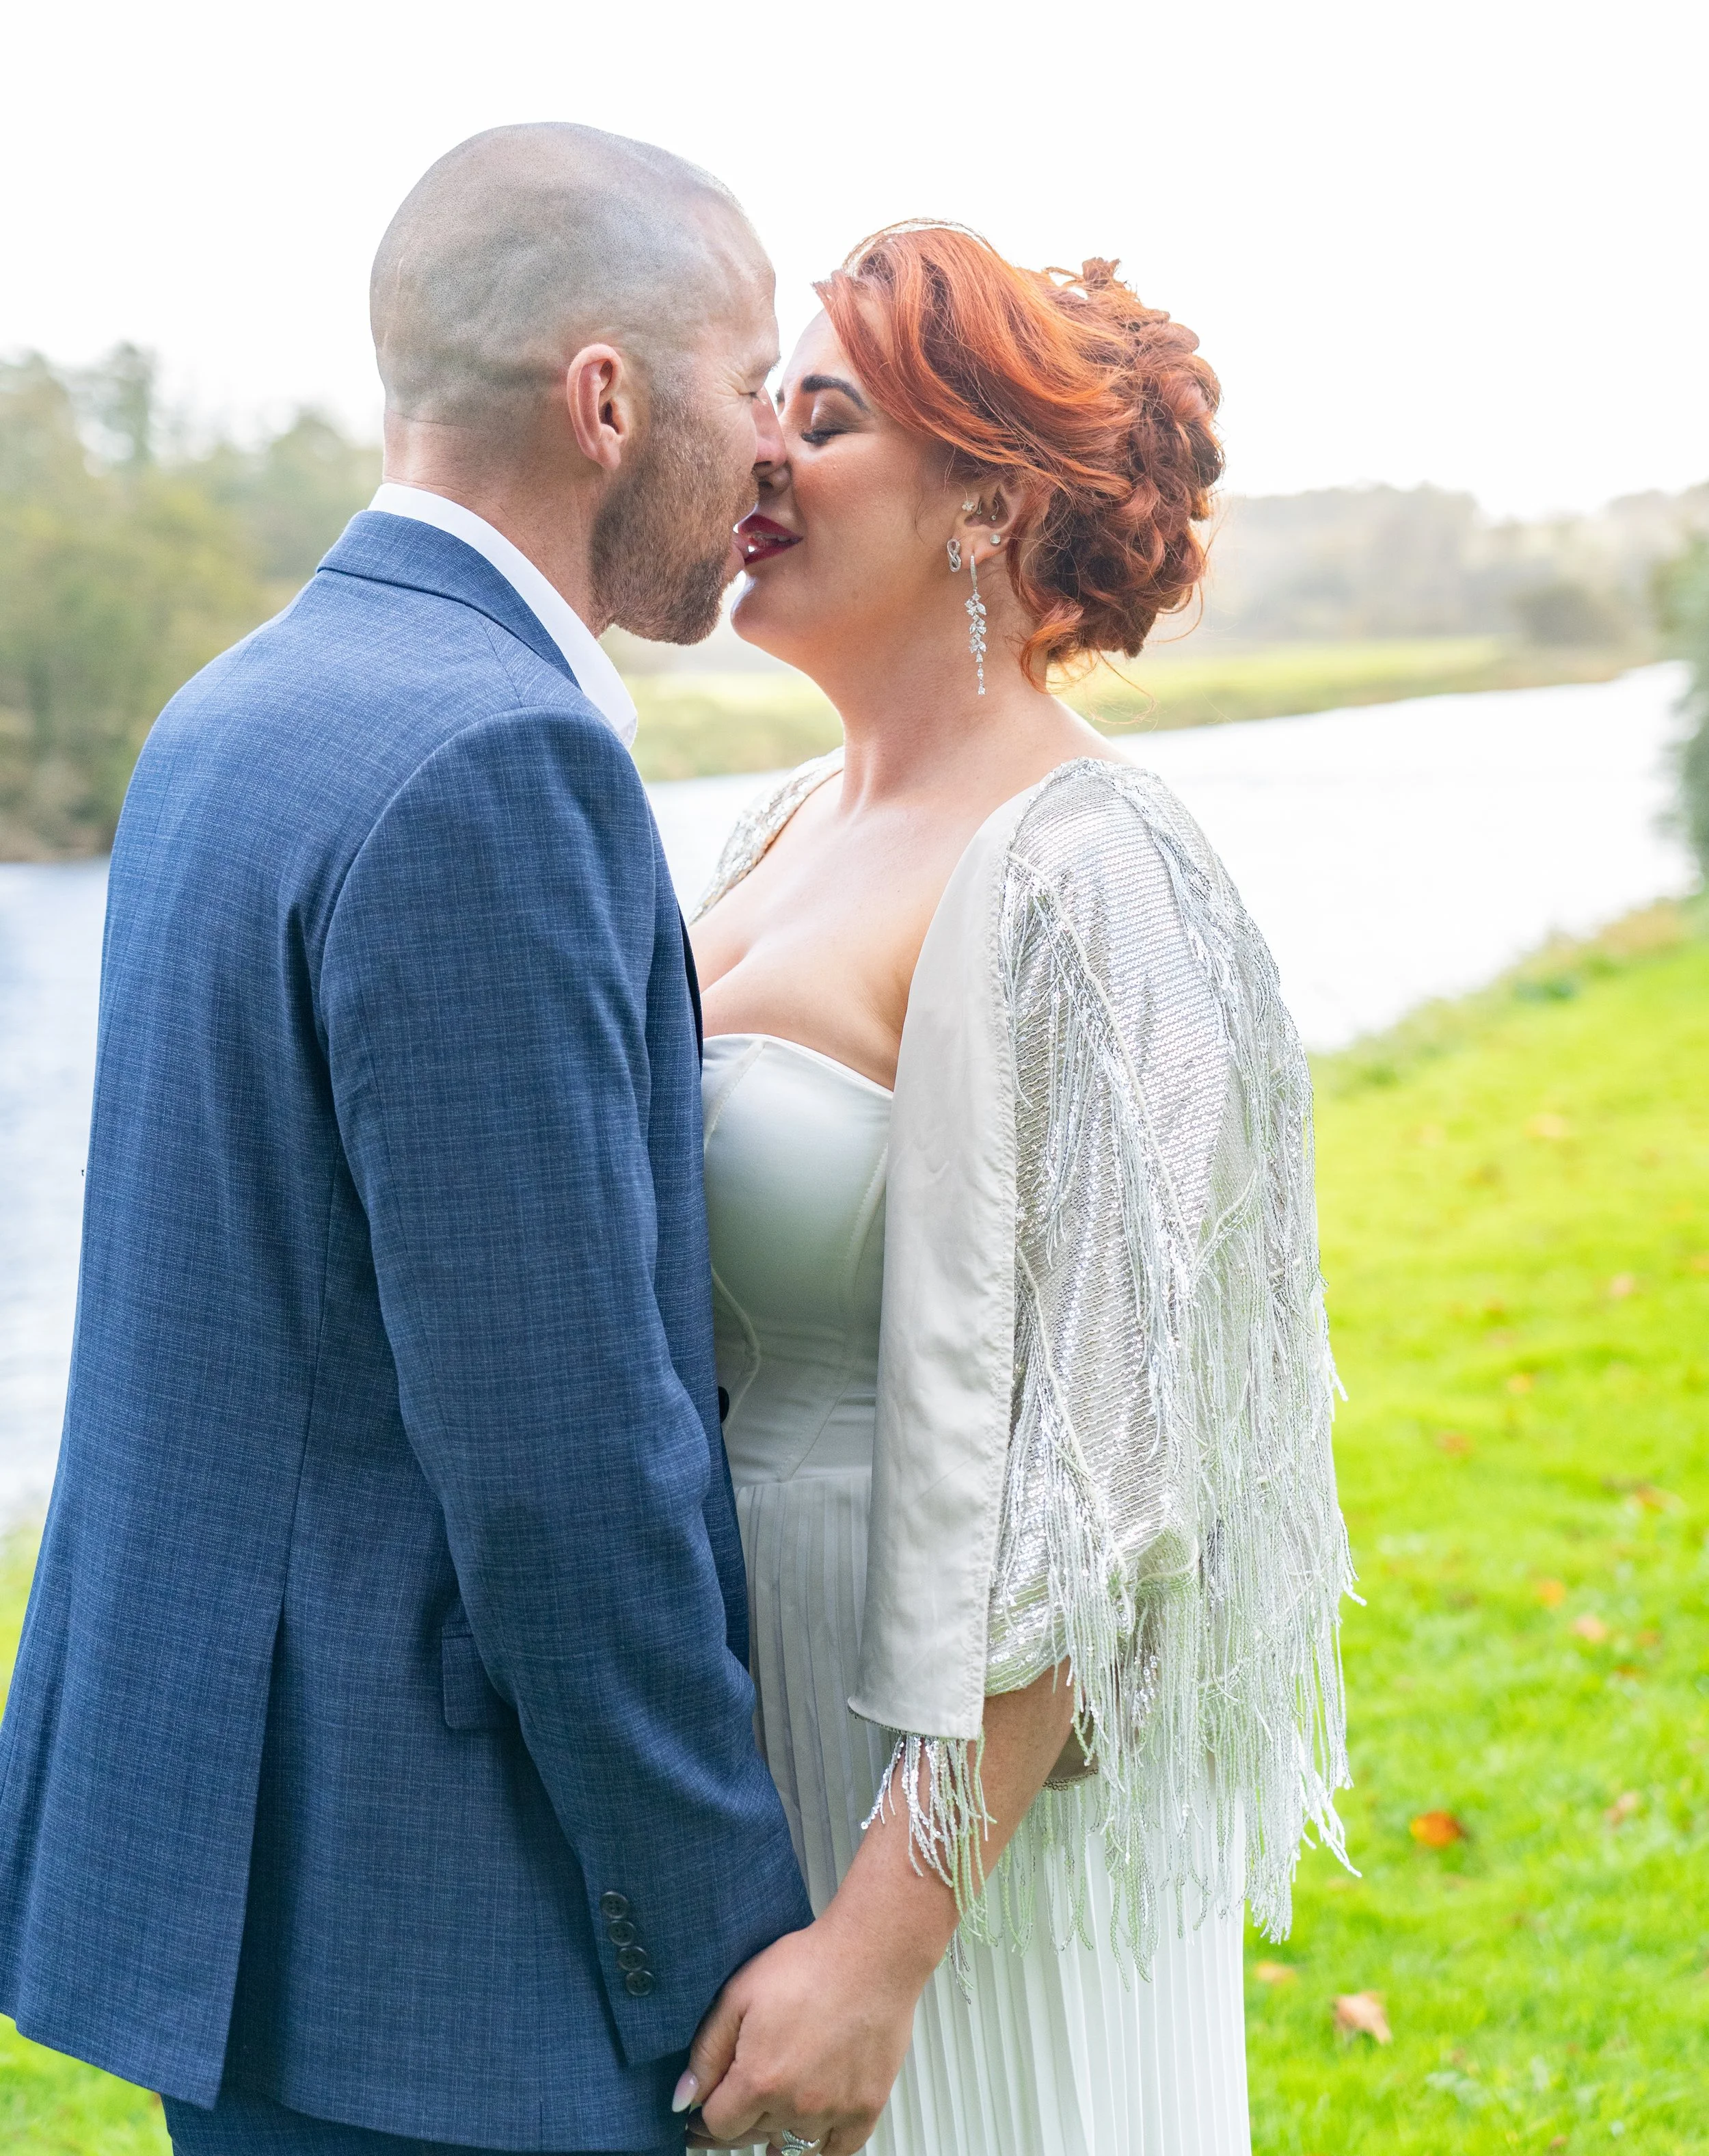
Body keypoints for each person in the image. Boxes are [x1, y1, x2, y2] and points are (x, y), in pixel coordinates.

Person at [0, 123, 815, 2156]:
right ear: (608, 401)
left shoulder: (238, 707)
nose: (768, 459)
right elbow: (560, 1462)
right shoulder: (492, 760)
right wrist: (729, 1927)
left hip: (236, 1893)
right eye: (744, 383)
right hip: (454, 1946)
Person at [682, 224, 1356, 2155]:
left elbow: (1111, 1481)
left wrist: (883, 1948)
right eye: (764, 409)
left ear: (986, 499)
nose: (759, 463)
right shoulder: (769, 832)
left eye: (824, 419)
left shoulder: (1100, 882)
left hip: (943, 1786)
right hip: (747, 1702)